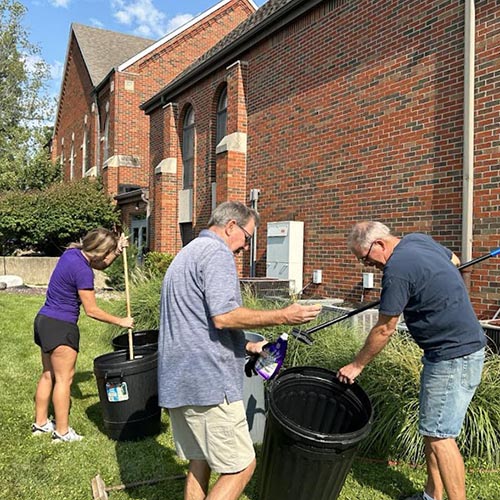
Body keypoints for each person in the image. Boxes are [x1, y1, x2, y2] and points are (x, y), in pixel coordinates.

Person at [158, 201, 322, 500]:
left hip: (178, 380)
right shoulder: (216, 253)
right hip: (208, 383)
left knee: (201, 459)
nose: (246, 247)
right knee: (241, 467)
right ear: (231, 226)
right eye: (247, 238)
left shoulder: (186, 254)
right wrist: (284, 315)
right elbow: (224, 316)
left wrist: (247, 346)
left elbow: (196, 320)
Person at [337, 221, 486, 500]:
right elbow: (452, 260)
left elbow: (385, 328)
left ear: (379, 244)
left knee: (441, 436)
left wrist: (356, 365)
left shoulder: (397, 270)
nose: (368, 266)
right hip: (455, 351)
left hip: (452, 357)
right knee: (433, 430)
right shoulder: (417, 240)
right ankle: (432, 495)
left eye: (366, 258)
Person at [33, 228, 134, 443]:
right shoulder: (83, 271)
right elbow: (92, 310)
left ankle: (40, 423)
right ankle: (62, 432)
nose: (108, 257)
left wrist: (117, 251)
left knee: (48, 374)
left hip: (44, 321)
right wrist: (121, 321)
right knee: (64, 380)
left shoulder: (71, 254)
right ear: (99, 251)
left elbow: (101, 263)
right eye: (108, 252)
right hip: (62, 326)